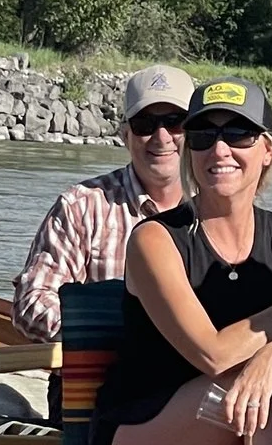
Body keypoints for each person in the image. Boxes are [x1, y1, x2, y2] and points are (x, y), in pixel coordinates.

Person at [100, 78, 272, 445]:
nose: (220, 150)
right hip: (143, 431)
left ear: (267, 150)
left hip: (239, 409)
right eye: (203, 135)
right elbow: (214, 355)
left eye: (239, 134)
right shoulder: (154, 239)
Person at [12, 64, 193, 340]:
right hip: (98, 376)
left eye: (175, 122)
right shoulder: (80, 206)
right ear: (125, 136)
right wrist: (103, 333)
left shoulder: (218, 209)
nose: (161, 136)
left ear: (194, 133)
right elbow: (32, 300)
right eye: (144, 124)